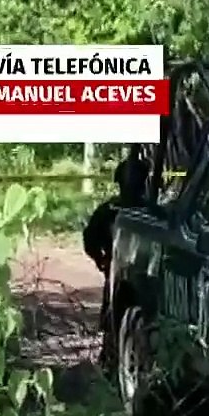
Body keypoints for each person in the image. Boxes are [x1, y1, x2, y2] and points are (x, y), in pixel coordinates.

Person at [85, 154, 150, 370]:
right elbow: (90, 239)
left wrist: (100, 259)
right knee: (114, 321)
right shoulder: (116, 211)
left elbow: (89, 239)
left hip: (140, 278)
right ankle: (112, 363)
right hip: (119, 274)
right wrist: (102, 260)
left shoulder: (148, 213)